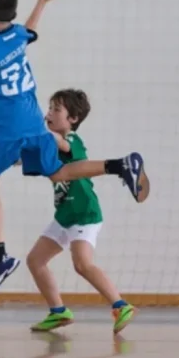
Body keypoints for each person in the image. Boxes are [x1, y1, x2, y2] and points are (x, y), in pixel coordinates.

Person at [0, 0, 150, 295]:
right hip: (33, 120)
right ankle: (118, 165)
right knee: (58, 172)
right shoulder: (19, 36)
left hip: (3, 127)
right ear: (11, 13)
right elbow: (30, 28)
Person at [26, 89, 136, 334]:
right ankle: (58, 312)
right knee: (35, 260)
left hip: (84, 212)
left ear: (73, 119)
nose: (49, 114)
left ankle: (121, 305)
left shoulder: (72, 140)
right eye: (50, 108)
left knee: (82, 264)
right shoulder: (51, 144)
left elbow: (61, 143)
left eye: (56, 109)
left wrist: (30, 124)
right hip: (65, 214)